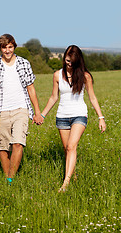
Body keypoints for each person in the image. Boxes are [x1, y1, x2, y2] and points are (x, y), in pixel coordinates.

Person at [41, 45, 106, 192]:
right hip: (62, 116)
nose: (69, 64)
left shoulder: (85, 76)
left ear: (78, 61)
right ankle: (73, 175)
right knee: (66, 149)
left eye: (72, 62)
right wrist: (43, 115)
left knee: (71, 146)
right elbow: (53, 97)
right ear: (64, 58)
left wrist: (100, 117)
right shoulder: (57, 75)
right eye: (67, 60)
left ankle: (65, 184)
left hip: (79, 114)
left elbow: (92, 97)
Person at [0, 34, 43, 184]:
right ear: (0, 48)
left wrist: (37, 112)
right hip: (1, 111)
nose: (7, 50)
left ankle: (11, 178)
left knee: (18, 143)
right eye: (4, 47)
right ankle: (7, 180)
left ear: (14, 47)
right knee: (4, 148)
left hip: (21, 109)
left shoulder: (24, 63)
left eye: (10, 47)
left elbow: (31, 89)